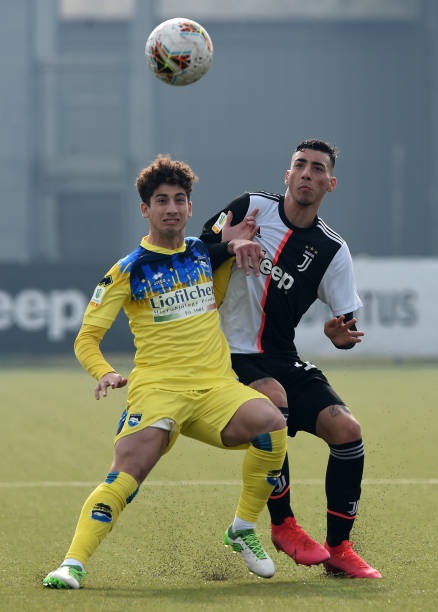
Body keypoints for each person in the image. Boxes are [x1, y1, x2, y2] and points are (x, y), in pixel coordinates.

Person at [42, 154, 287, 589]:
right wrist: (104, 372)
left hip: (215, 388)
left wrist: (232, 245)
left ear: (191, 208)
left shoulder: (201, 253)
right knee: (127, 473)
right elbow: (86, 339)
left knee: (271, 423)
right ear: (145, 209)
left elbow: (223, 269)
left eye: (179, 199)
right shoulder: (128, 269)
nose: (171, 208)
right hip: (158, 388)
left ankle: (243, 529)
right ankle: (72, 564)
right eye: (161, 200)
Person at [200, 139, 382, 578]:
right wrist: (228, 245)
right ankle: (283, 524)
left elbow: (346, 325)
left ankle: (339, 549)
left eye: (317, 168)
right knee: (273, 401)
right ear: (287, 175)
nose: (307, 173)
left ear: (330, 183)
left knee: (347, 429)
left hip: (280, 355)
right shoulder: (251, 207)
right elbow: (192, 255)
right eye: (299, 165)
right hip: (226, 353)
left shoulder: (332, 250)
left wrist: (339, 336)